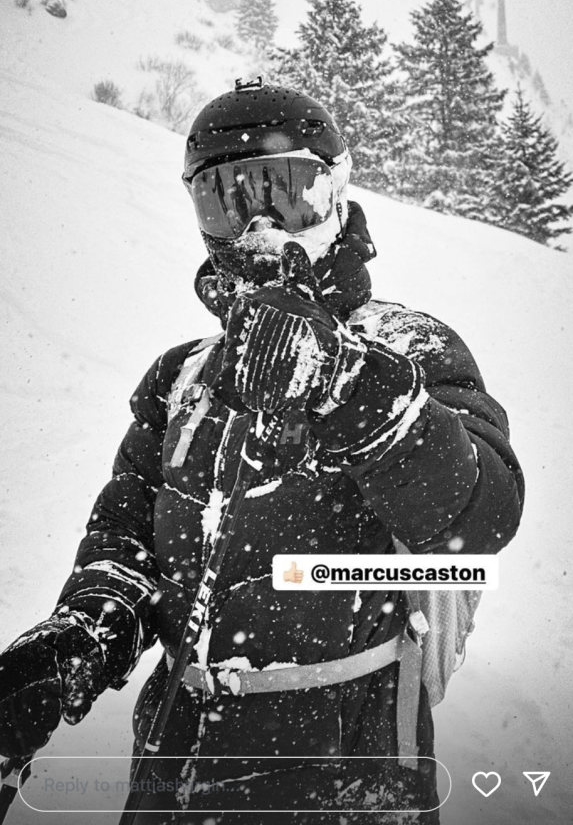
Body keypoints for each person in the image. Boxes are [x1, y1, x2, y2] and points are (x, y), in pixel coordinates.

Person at [0, 80, 524, 823]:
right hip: (171, 772)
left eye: (284, 190)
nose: (258, 224)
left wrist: (343, 379)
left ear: (335, 192)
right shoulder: (181, 376)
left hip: (347, 776)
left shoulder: (408, 349)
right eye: (225, 198)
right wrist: (78, 643)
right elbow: (126, 548)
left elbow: (480, 516)